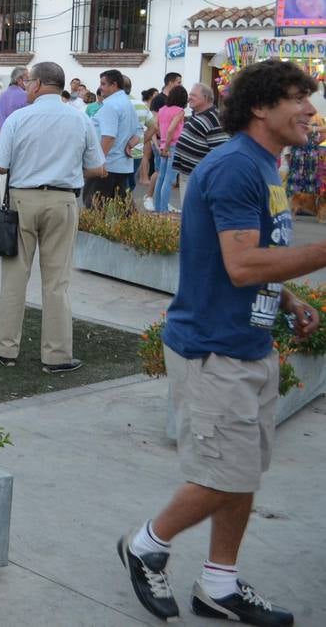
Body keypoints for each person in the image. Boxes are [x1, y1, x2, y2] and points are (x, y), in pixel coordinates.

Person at [117, 59, 320, 626]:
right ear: (261, 107)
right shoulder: (235, 167)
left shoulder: (266, 165)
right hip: (213, 350)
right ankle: (146, 546)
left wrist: (285, 299)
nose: (310, 109)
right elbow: (240, 263)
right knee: (220, 476)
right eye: (299, 98)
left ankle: (219, 585)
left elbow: (257, 254)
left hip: (249, 343)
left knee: (243, 472)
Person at [0, 61, 105, 372]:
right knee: (57, 282)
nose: (26, 87)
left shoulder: (19, 118)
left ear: (37, 84)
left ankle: (5, 349)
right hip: (63, 200)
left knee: (14, 277)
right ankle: (56, 355)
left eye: (28, 83)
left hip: (22, 199)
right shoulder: (79, 119)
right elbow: (97, 166)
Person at [84, 68, 141, 210]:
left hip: (107, 166)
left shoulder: (111, 105)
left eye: (103, 84)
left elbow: (109, 136)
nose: (100, 88)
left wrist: (98, 162)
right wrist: (129, 144)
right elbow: (138, 131)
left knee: (96, 207)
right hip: (120, 164)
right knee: (122, 209)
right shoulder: (127, 103)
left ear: (114, 85)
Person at [173, 83, 229, 177]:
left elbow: (220, 152)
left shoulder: (214, 119)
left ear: (206, 97)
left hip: (200, 176)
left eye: (193, 95)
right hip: (189, 173)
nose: (189, 98)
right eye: (189, 95)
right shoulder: (198, 114)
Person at [153, 85, 189, 213]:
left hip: (163, 145)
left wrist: (162, 145)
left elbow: (155, 125)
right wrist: (167, 146)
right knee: (169, 180)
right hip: (173, 146)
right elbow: (171, 129)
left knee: (161, 178)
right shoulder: (180, 111)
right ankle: (163, 209)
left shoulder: (162, 109)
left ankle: (157, 207)